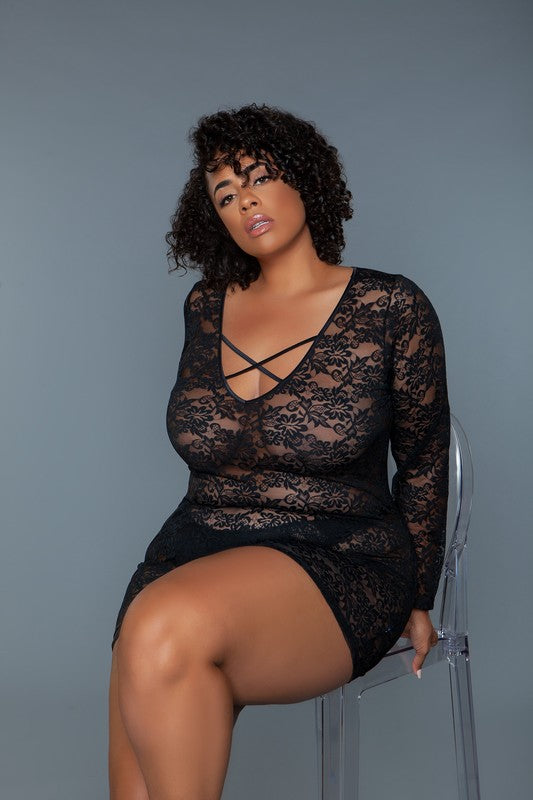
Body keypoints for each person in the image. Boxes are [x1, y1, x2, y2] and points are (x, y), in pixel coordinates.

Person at [108, 102, 450, 800]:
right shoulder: (205, 305)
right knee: (148, 647)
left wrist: (420, 594)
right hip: (189, 555)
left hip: (339, 555)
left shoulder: (390, 306)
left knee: (160, 626)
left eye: (258, 177)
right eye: (224, 194)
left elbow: (423, 461)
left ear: (305, 179)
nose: (244, 202)